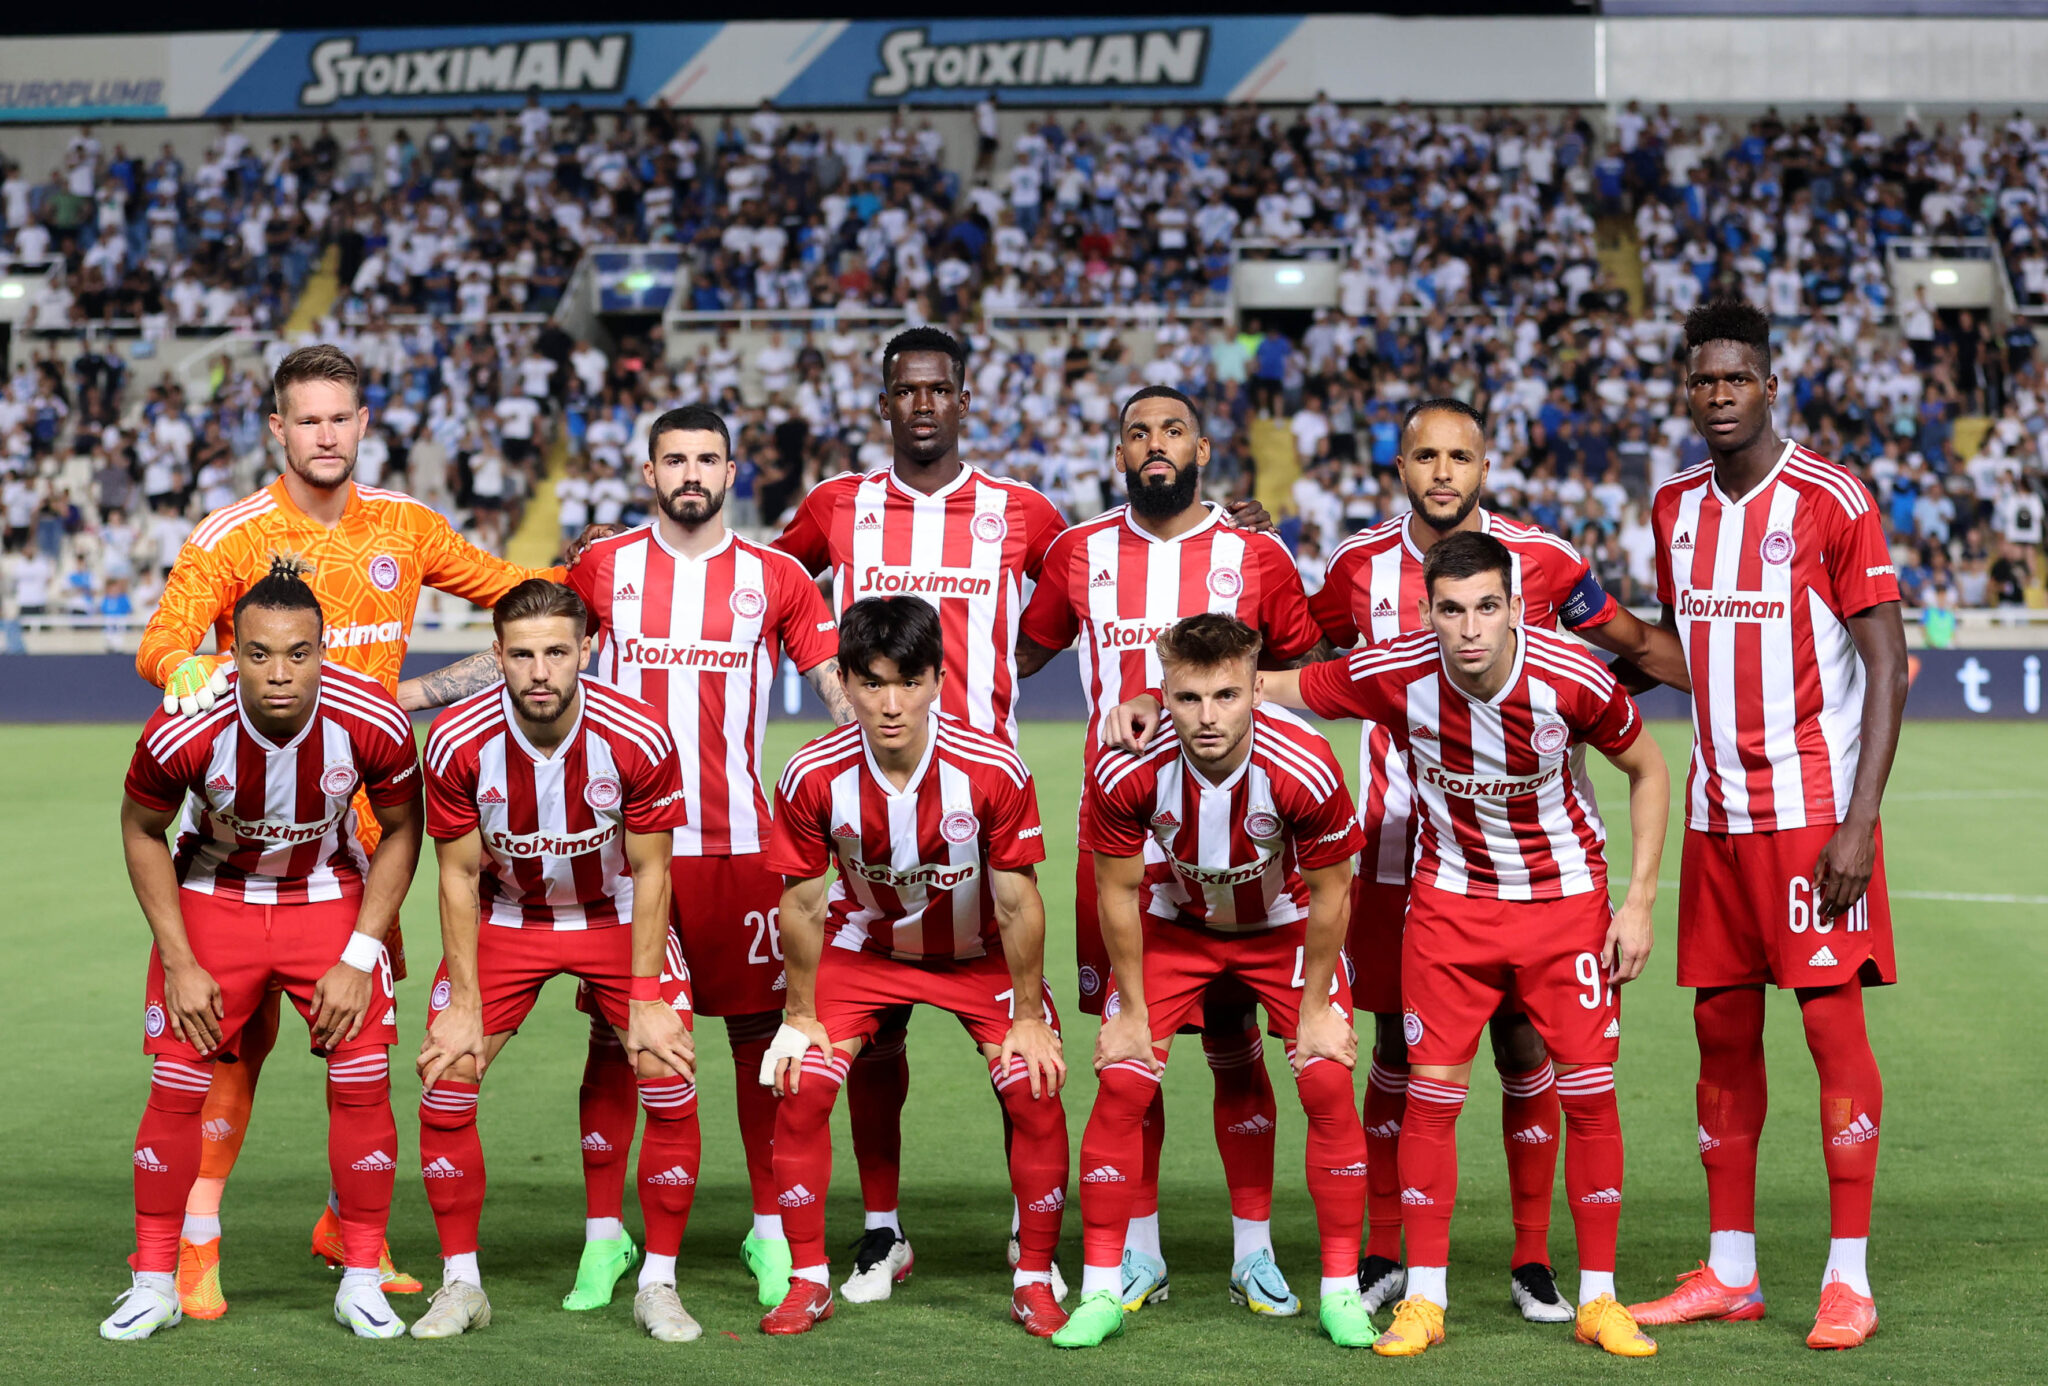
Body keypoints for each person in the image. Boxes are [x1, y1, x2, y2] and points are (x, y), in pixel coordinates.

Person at [1109, 531, 1670, 1357]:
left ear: (1517, 608)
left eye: (1487, 607)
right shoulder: (1393, 671)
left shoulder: (1573, 677)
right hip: (1449, 908)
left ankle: (1600, 1299)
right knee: (1430, 1100)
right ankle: (1424, 1301)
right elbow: (1259, 682)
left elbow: (1648, 768)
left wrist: (1640, 901)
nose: (1470, 628)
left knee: (1588, 1097)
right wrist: (1154, 697)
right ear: (1425, 613)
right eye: (1451, 610)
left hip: (1565, 907)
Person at [133, 343, 603, 1315]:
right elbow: (163, 643)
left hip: (370, 841)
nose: (325, 435)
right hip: (253, 836)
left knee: (359, 1050)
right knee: (231, 1049)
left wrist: (586, 569)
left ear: (362, 423)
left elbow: (517, 593)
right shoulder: (234, 535)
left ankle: (351, 1234)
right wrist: (200, 674)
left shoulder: (406, 526)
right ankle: (196, 1242)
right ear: (278, 428)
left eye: (339, 417)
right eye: (307, 419)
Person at [1302, 397, 1688, 1319]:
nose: (1443, 473)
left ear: (1485, 466)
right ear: (1400, 467)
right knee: (1396, 1052)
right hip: (1400, 850)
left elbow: (1630, 645)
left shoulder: (1544, 559)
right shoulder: (1356, 563)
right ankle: (1388, 1253)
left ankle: (1531, 1259)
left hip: (1537, 864)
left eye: (1460, 457)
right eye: (1425, 457)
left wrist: (1723, 675)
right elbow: (1298, 652)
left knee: (1526, 1047)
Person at [1625, 301, 1906, 1351]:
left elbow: (1888, 666)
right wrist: (1594, 655)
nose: (1718, 395)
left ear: (1768, 385)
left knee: (1831, 1031)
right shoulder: (1673, 506)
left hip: (1810, 820)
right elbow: (1684, 653)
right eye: (1703, 380)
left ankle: (1848, 1279)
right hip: (1715, 819)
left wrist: (1858, 824)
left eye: (1735, 378)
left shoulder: (1832, 499)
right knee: (1721, 1035)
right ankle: (1731, 1270)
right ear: (1685, 388)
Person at [1014, 385, 1330, 1314]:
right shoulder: (1077, 553)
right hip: (1121, 843)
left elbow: (1304, 666)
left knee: (1238, 1046)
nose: (1155, 444)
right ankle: (1141, 1252)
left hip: (1243, 845)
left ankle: (1252, 1252)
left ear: (1202, 450)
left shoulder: (1255, 554)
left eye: (1173, 431)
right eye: (1138, 433)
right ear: (1119, 454)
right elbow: (1016, 653)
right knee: (1131, 1052)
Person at [568, 404, 850, 1309]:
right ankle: (604, 1237)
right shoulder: (601, 568)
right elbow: (536, 659)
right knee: (616, 1040)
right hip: (627, 852)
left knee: (759, 1042)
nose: (691, 473)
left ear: (732, 473)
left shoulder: (776, 577)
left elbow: (836, 688)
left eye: (707, 460)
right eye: (674, 459)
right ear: (648, 472)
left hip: (739, 847)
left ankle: (768, 1229)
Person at [104, 560, 423, 1340]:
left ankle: (360, 1278)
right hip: (215, 899)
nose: (280, 673)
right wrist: (178, 960)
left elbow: (402, 830)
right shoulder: (184, 726)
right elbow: (142, 829)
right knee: (177, 1087)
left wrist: (359, 954)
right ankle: (154, 1282)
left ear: (323, 651)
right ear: (233, 654)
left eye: (298, 653)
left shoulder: (372, 718)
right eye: (259, 654)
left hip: (327, 897)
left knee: (364, 1082)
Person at [1050, 614, 1376, 1351]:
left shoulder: (1306, 763)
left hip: (1283, 924)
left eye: (1227, 695)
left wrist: (1316, 1008)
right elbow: (1115, 891)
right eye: (1189, 697)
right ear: (1162, 693)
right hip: (1177, 922)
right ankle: (1103, 1288)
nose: (1207, 717)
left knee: (1326, 1076)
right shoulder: (1126, 767)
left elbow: (1333, 893)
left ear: (1255, 689)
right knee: (1124, 1078)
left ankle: (1339, 1292)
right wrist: (1132, 1010)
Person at [757, 596, 1068, 1338]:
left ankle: (1033, 1275)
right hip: (864, 947)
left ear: (938, 680)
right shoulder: (810, 772)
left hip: (976, 952)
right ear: (844, 681)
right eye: (871, 684)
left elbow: (1018, 903)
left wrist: (1029, 1018)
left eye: (908, 682)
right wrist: (799, 1015)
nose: (890, 705)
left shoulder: (992, 769)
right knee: (800, 1082)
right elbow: (801, 903)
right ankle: (809, 1280)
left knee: (1033, 1083)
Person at [408, 580, 697, 1343]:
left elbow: (654, 871)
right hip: (509, 917)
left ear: (587, 651)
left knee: (667, 1065)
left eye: (558, 653)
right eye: (524, 654)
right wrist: (463, 1003)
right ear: (498, 655)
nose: (541, 672)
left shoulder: (638, 735)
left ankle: (659, 1284)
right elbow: (457, 876)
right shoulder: (456, 739)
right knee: (446, 1071)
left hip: (616, 915)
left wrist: (646, 997)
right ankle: (461, 1284)